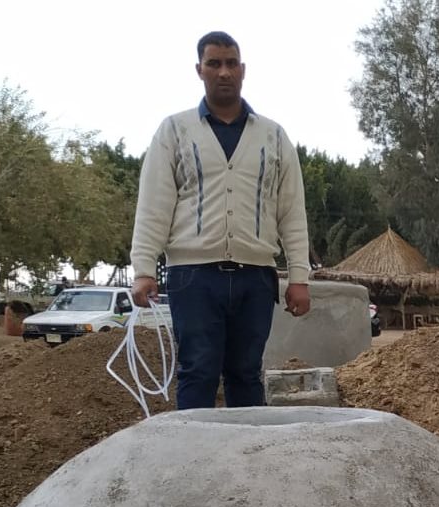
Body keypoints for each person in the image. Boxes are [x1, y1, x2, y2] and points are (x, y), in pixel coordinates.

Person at [130, 30, 311, 410]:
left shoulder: (273, 136)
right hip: (193, 276)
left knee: (246, 374)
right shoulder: (175, 131)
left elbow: (292, 211)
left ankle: (248, 448)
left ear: (243, 70)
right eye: (214, 63)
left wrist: (299, 278)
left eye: (231, 64)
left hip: (255, 277)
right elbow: (154, 205)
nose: (224, 72)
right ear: (199, 70)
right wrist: (144, 269)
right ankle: (192, 448)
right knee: (198, 371)